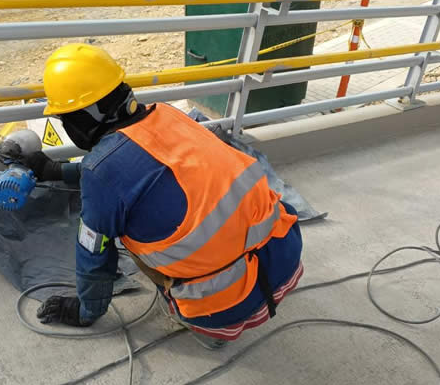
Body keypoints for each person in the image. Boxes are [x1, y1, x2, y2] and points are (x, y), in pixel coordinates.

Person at [24, 43, 303, 349]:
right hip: (284, 255)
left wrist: (84, 311)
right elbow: (129, 171)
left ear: (81, 119)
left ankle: (208, 328)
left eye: (65, 118)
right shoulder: (167, 115)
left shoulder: (101, 172)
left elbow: (94, 255)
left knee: (119, 234)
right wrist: (55, 171)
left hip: (225, 306)